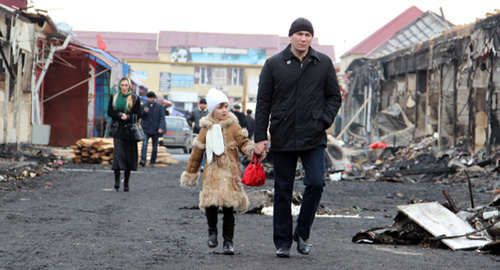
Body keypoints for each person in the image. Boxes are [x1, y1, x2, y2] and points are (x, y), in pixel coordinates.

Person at [253, 17, 342, 258]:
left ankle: (302, 233)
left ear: (312, 38)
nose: (303, 39)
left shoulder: (323, 63)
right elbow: (263, 102)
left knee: (316, 182)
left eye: (307, 35)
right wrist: (260, 136)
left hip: (313, 135)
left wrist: (323, 120)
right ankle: (283, 242)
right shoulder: (274, 64)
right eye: (299, 34)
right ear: (290, 36)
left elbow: (334, 97)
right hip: (282, 135)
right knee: (283, 190)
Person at [180, 88, 255, 255]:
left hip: (230, 172)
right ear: (213, 109)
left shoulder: (234, 126)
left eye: (226, 106)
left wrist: (252, 149)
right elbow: (197, 153)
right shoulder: (206, 128)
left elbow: (243, 142)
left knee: (229, 208)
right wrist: (191, 173)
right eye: (220, 107)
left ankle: (228, 242)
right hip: (212, 172)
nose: (224, 110)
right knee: (211, 205)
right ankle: (212, 231)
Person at [107, 77, 143, 192]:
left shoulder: (135, 98)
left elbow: (139, 114)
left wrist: (128, 116)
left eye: (126, 85)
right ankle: (117, 181)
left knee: (129, 157)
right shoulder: (114, 97)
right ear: (119, 86)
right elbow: (110, 112)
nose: (124, 87)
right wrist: (119, 115)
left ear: (129, 86)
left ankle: (126, 182)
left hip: (130, 131)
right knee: (118, 155)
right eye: (122, 85)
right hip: (118, 130)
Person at [139, 91, 166, 167]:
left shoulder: (159, 106)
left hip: (155, 129)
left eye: (151, 98)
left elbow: (162, 118)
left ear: (154, 98)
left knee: (155, 147)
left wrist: (161, 127)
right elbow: (140, 116)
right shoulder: (144, 106)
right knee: (144, 145)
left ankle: (152, 161)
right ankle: (143, 161)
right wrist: (144, 112)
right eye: (149, 98)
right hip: (146, 129)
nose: (150, 99)